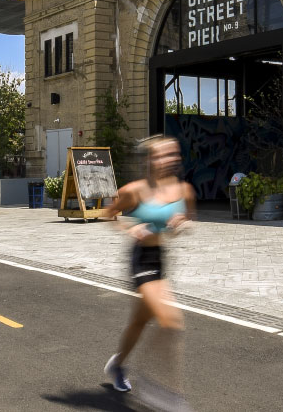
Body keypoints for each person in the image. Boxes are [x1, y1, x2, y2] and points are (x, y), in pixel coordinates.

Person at [103, 136, 196, 406]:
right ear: (149, 160)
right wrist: (130, 228)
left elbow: (189, 222)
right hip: (140, 259)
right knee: (171, 321)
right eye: (160, 155)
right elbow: (108, 215)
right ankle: (166, 391)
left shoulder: (185, 191)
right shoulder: (135, 190)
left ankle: (118, 364)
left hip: (159, 258)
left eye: (172, 155)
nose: (167, 160)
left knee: (139, 322)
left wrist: (181, 224)